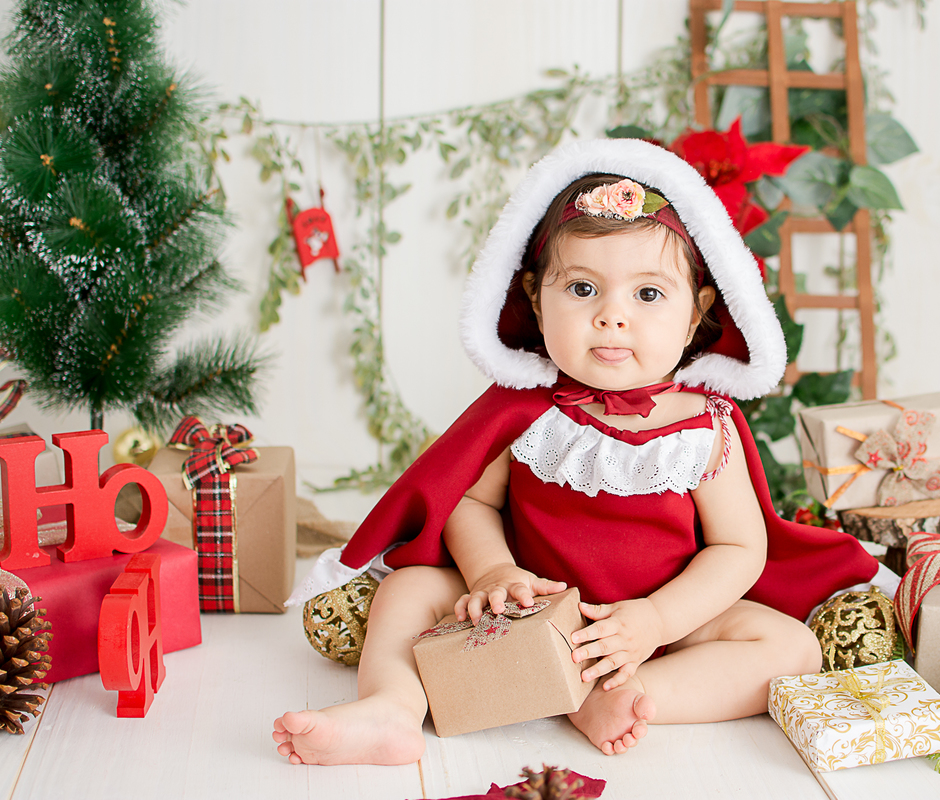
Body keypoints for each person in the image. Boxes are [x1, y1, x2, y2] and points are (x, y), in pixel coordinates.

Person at [273, 138, 887, 766]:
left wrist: (654, 621)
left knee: (790, 649)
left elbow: (739, 549)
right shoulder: (526, 414)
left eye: (647, 295)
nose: (611, 318)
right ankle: (392, 708)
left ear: (698, 311)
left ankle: (625, 693)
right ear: (536, 300)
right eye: (583, 289)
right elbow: (468, 504)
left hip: (652, 626)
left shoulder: (706, 426)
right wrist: (492, 573)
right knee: (408, 591)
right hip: (528, 614)